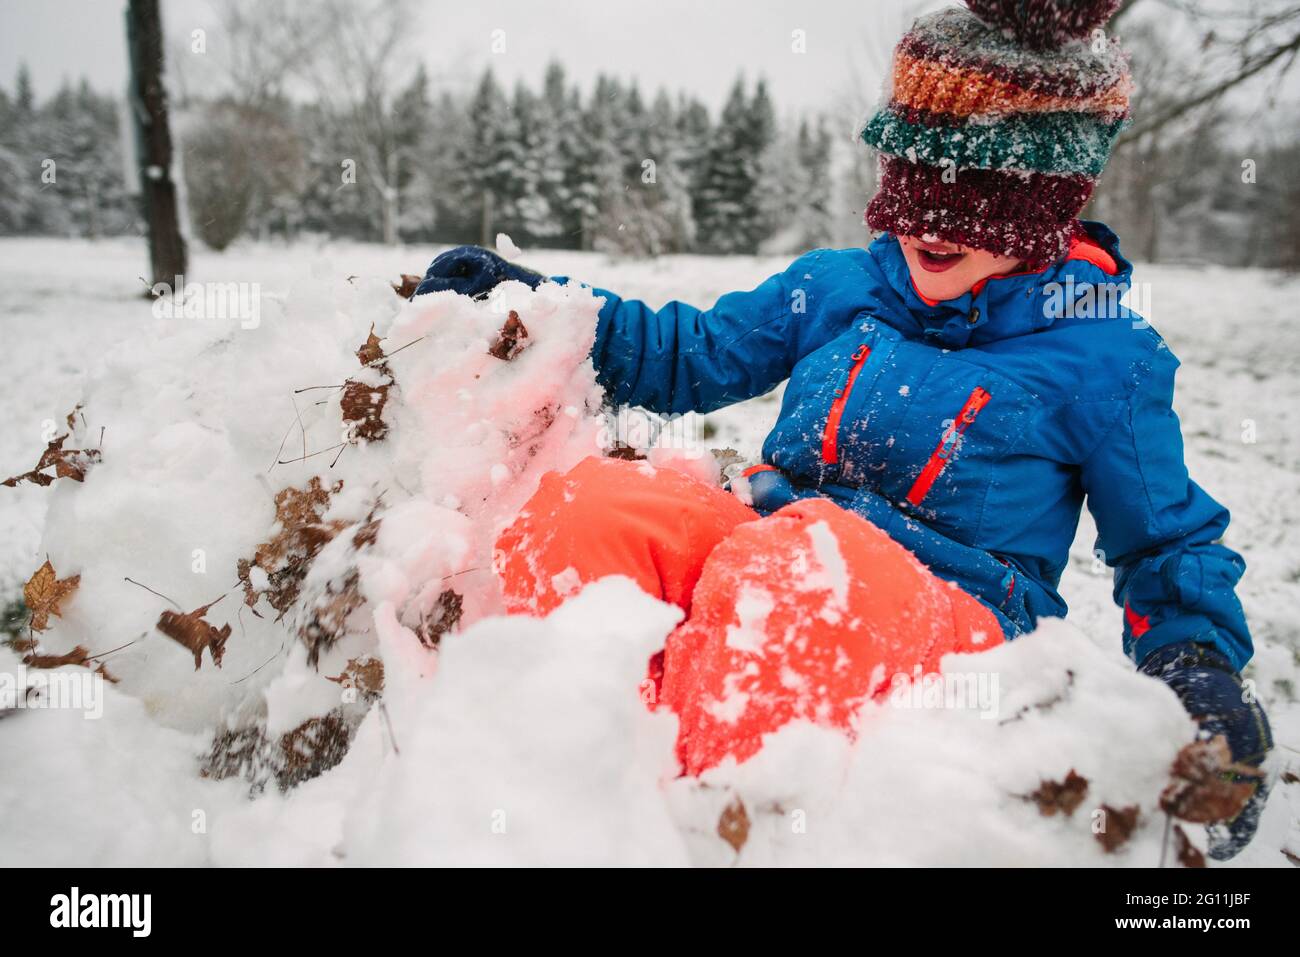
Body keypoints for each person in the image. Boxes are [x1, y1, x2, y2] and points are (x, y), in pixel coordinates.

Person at [414, 0, 1271, 858]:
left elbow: (1165, 545)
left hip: (953, 627)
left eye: (978, 199)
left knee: (798, 565)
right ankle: (562, 791)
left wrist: (1197, 673)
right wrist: (543, 311)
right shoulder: (835, 287)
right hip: (772, 549)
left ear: (1046, 204)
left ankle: (723, 829)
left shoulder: (1103, 356)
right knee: (593, 509)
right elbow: (694, 352)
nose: (933, 222)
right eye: (917, 180)